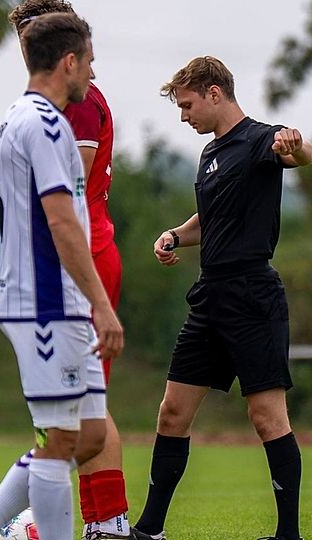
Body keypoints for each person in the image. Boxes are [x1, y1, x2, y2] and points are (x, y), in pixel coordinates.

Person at [0, 13, 124, 540]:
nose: (92, 70)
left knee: (86, 436)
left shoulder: (36, 118)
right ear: (69, 62)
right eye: (88, 60)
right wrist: (102, 305)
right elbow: (62, 222)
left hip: (60, 303)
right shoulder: (43, 123)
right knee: (60, 440)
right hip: (43, 304)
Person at [132, 56, 310, 540]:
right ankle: (149, 530)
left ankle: (288, 535)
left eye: (188, 105)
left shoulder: (260, 140)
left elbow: (298, 153)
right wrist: (173, 233)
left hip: (253, 295)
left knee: (266, 416)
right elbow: (210, 218)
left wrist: (296, 145)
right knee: (172, 411)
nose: (184, 116)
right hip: (210, 296)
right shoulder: (210, 154)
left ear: (215, 93)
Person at [5, 2, 134, 539]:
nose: (25, 48)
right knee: (81, 409)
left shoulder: (73, 104)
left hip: (79, 261)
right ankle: (105, 522)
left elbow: (67, 196)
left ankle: (20, 520)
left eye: (32, 35)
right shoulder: (59, 102)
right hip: (82, 257)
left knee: (75, 415)